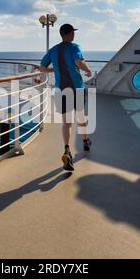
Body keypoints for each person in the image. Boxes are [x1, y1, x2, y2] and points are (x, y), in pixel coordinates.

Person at [39, 24, 93, 171]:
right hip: (77, 89)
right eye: (72, 33)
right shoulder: (75, 47)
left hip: (61, 90)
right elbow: (78, 61)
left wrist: (54, 69)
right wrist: (88, 70)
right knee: (81, 118)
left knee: (66, 123)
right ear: (69, 34)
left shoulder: (53, 50)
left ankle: (67, 150)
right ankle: (86, 141)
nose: (73, 35)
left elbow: (42, 67)